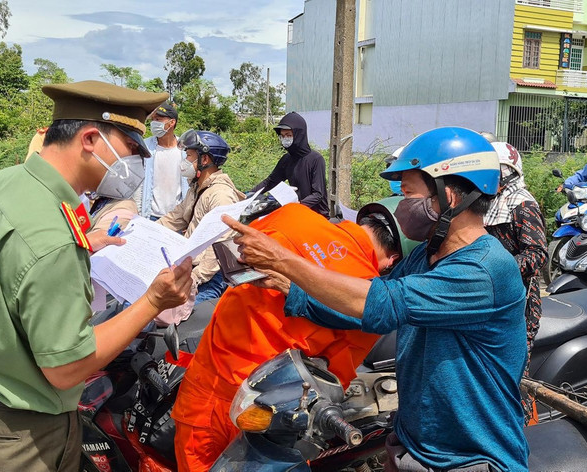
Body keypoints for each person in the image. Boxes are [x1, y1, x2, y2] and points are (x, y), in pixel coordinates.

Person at [225, 127, 529, 471]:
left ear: (449, 198)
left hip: (467, 460)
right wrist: (291, 288)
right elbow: (365, 311)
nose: (401, 205)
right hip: (413, 445)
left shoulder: (485, 270)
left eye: (409, 194)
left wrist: (285, 261)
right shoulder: (427, 256)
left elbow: (382, 303)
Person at [0, 80, 193, 472]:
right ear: (92, 139)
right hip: (21, 436)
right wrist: (153, 302)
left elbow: (9, 271)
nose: (136, 168)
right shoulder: (52, 237)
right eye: (131, 151)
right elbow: (68, 368)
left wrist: (86, 243)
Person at [172, 199, 416, 471]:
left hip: (207, 391)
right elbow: (333, 378)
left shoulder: (292, 216)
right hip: (270, 420)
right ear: (394, 260)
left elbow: (238, 254)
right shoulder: (364, 297)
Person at [158, 129, 245, 303]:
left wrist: (195, 278)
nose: (185, 161)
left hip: (210, 277)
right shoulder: (197, 188)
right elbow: (175, 217)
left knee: (174, 321)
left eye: (189, 156)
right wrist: (143, 231)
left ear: (204, 159)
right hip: (191, 268)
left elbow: (219, 244)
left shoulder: (220, 195)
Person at [484, 141, 547, 372]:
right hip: (488, 294)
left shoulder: (522, 204)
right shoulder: (486, 202)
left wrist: (500, 269)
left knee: (513, 371)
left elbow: (537, 254)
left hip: (519, 298)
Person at [252, 112, 329, 217]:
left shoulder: (316, 159)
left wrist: (299, 205)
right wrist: (250, 195)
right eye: (282, 136)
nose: (285, 139)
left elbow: (318, 194)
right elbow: (270, 182)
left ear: (299, 135)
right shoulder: (287, 159)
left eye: (289, 135)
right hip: (297, 212)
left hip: (316, 215)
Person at [134, 101, 189, 220]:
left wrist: (188, 216)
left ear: (171, 123)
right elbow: (138, 183)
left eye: (158, 119)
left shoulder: (185, 150)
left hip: (176, 217)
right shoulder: (145, 146)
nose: (154, 123)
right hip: (150, 215)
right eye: (153, 119)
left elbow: (189, 184)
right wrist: (138, 214)